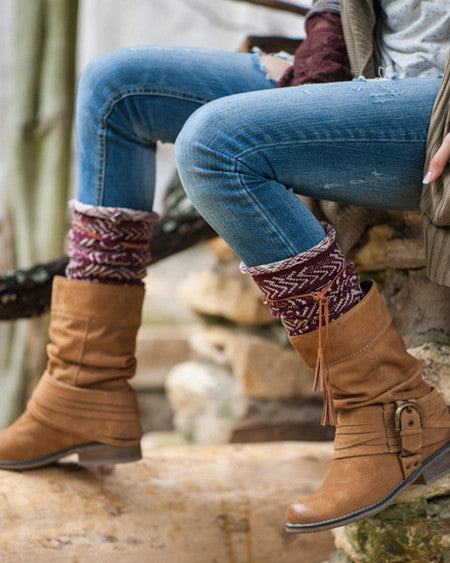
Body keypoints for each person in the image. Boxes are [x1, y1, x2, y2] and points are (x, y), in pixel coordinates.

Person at [0, 0, 448, 534]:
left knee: (216, 145)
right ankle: (84, 389)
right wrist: (322, 52)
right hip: (366, 65)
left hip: (433, 104)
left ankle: (393, 414)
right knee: (116, 89)